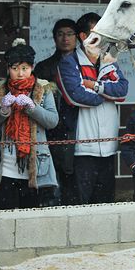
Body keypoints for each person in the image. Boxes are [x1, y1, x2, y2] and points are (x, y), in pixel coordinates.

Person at [56, 12, 129, 204]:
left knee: (105, 203)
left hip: (109, 147)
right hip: (82, 149)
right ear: (83, 37)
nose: (104, 37)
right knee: (80, 203)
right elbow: (76, 96)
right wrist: (105, 95)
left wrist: (96, 86)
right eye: (98, 32)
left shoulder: (108, 61)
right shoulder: (69, 62)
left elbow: (122, 92)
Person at [0, 39, 60, 209]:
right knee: (4, 213)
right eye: (15, 68)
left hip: (35, 166)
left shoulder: (43, 90)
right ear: (8, 69)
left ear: (32, 68)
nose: (20, 73)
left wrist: (32, 108)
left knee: (31, 216)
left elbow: (52, 121)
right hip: (4, 166)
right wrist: (1, 110)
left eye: (24, 68)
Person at [32, 18, 78, 205]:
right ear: (54, 38)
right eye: (60, 34)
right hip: (51, 129)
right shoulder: (44, 67)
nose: (65, 38)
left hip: (79, 127)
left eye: (69, 34)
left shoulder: (84, 65)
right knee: (51, 180)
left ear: (77, 37)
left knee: (75, 179)